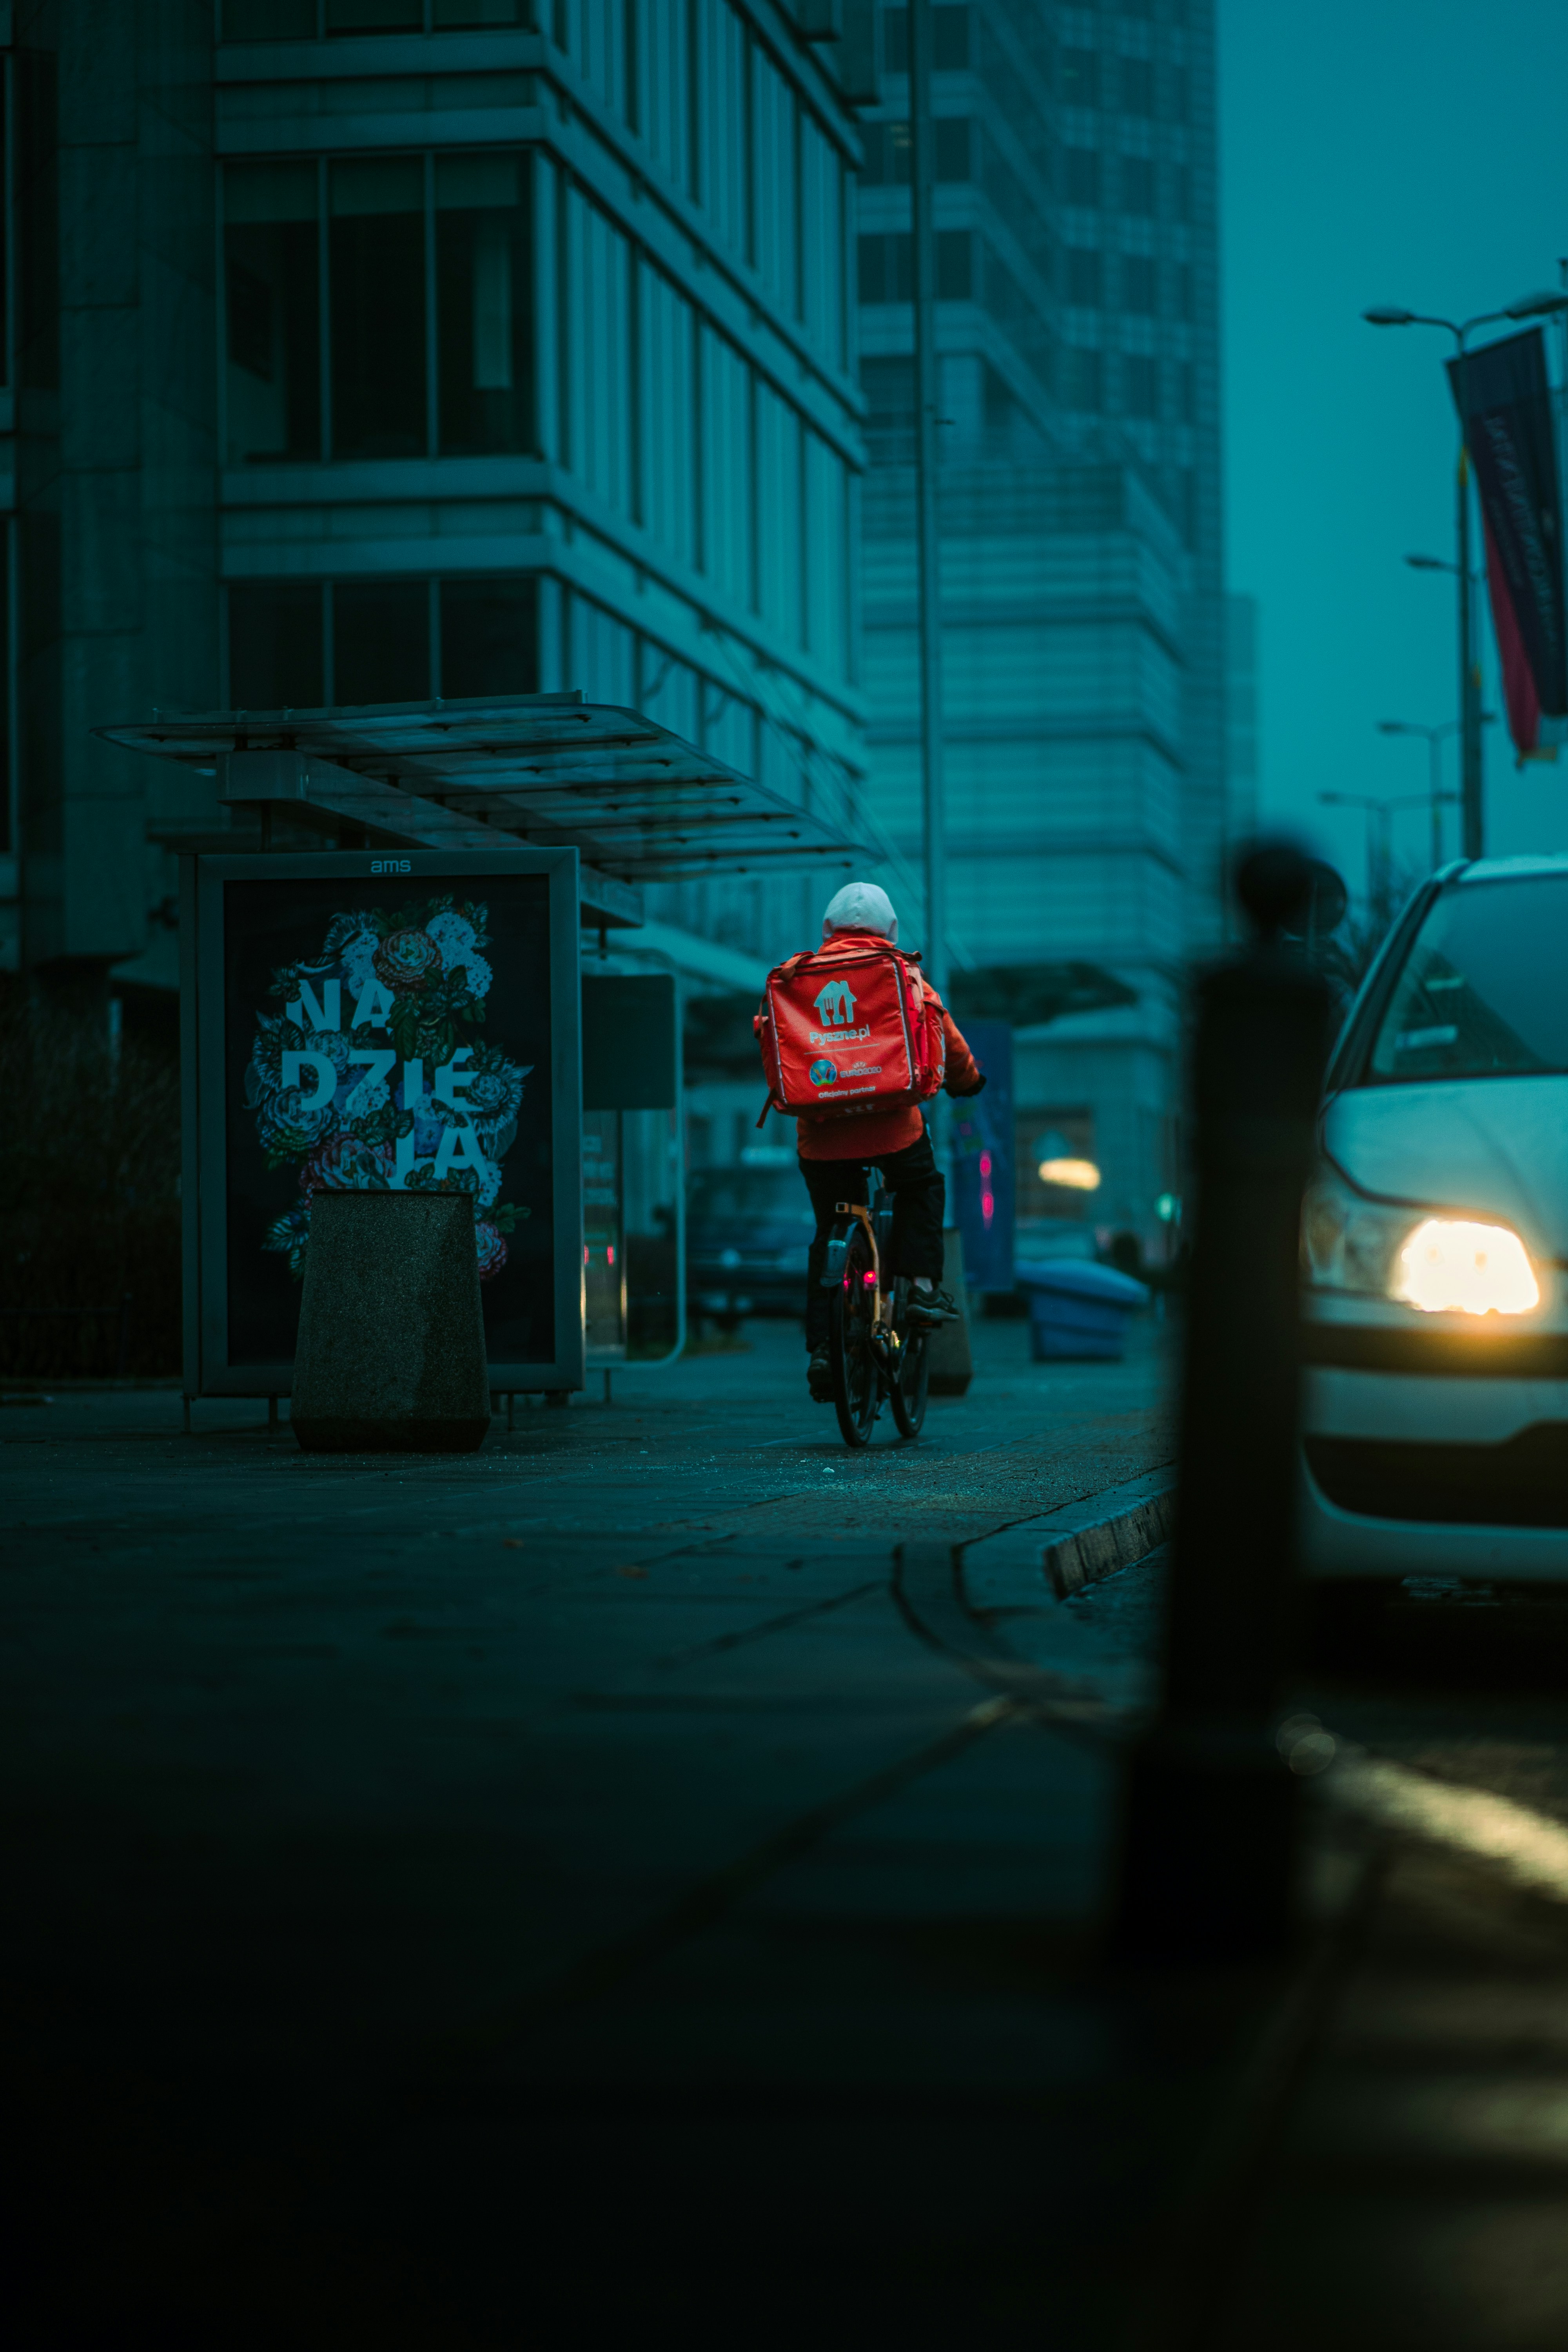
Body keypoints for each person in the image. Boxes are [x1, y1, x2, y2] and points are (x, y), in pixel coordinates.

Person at [771, 881, 985, 1403]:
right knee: (921, 1186)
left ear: (827, 929)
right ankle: (923, 1291)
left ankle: (826, 1349)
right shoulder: (904, 975)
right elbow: (947, 1041)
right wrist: (968, 1081)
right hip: (893, 1128)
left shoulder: (797, 978)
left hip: (822, 1133)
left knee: (831, 1228)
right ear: (891, 931)